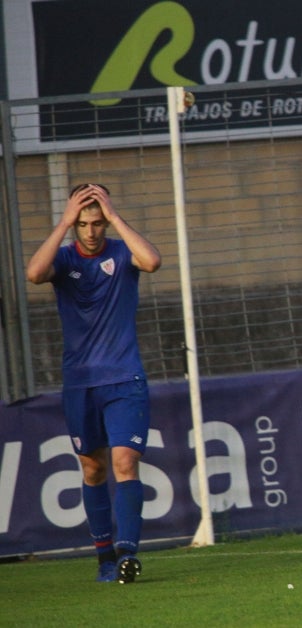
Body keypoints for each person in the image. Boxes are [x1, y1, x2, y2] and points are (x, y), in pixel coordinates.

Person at [26, 183, 161, 583]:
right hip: (81, 384)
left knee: (125, 462)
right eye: (83, 223)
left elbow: (152, 261)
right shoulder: (64, 258)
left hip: (124, 378)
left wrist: (117, 216)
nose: (90, 231)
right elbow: (34, 274)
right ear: (73, 224)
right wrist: (62, 221)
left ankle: (127, 555)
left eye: (97, 222)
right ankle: (104, 558)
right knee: (93, 469)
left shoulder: (121, 253)